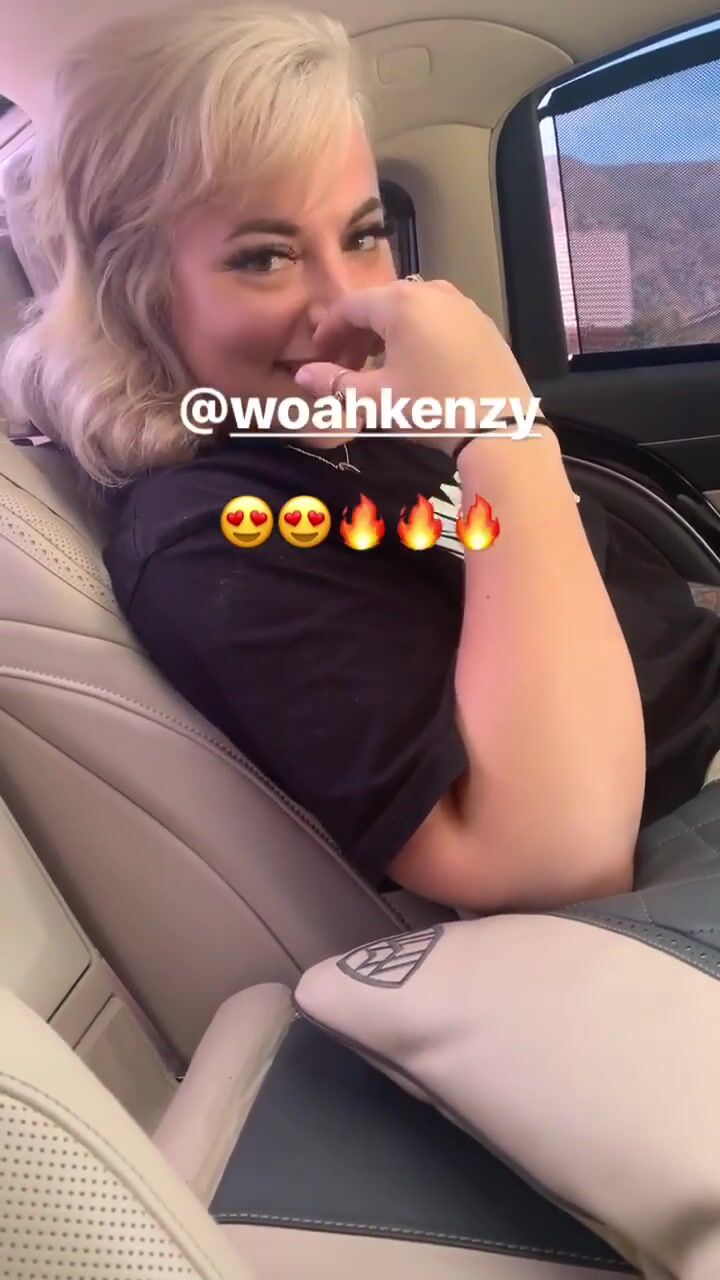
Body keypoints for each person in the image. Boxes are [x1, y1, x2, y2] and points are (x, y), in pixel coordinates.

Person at [4, 5, 720, 915]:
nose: (345, 309)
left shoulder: (347, 422)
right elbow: (550, 860)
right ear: (138, 295)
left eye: (364, 236)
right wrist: (503, 434)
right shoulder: (215, 536)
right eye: (264, 257)